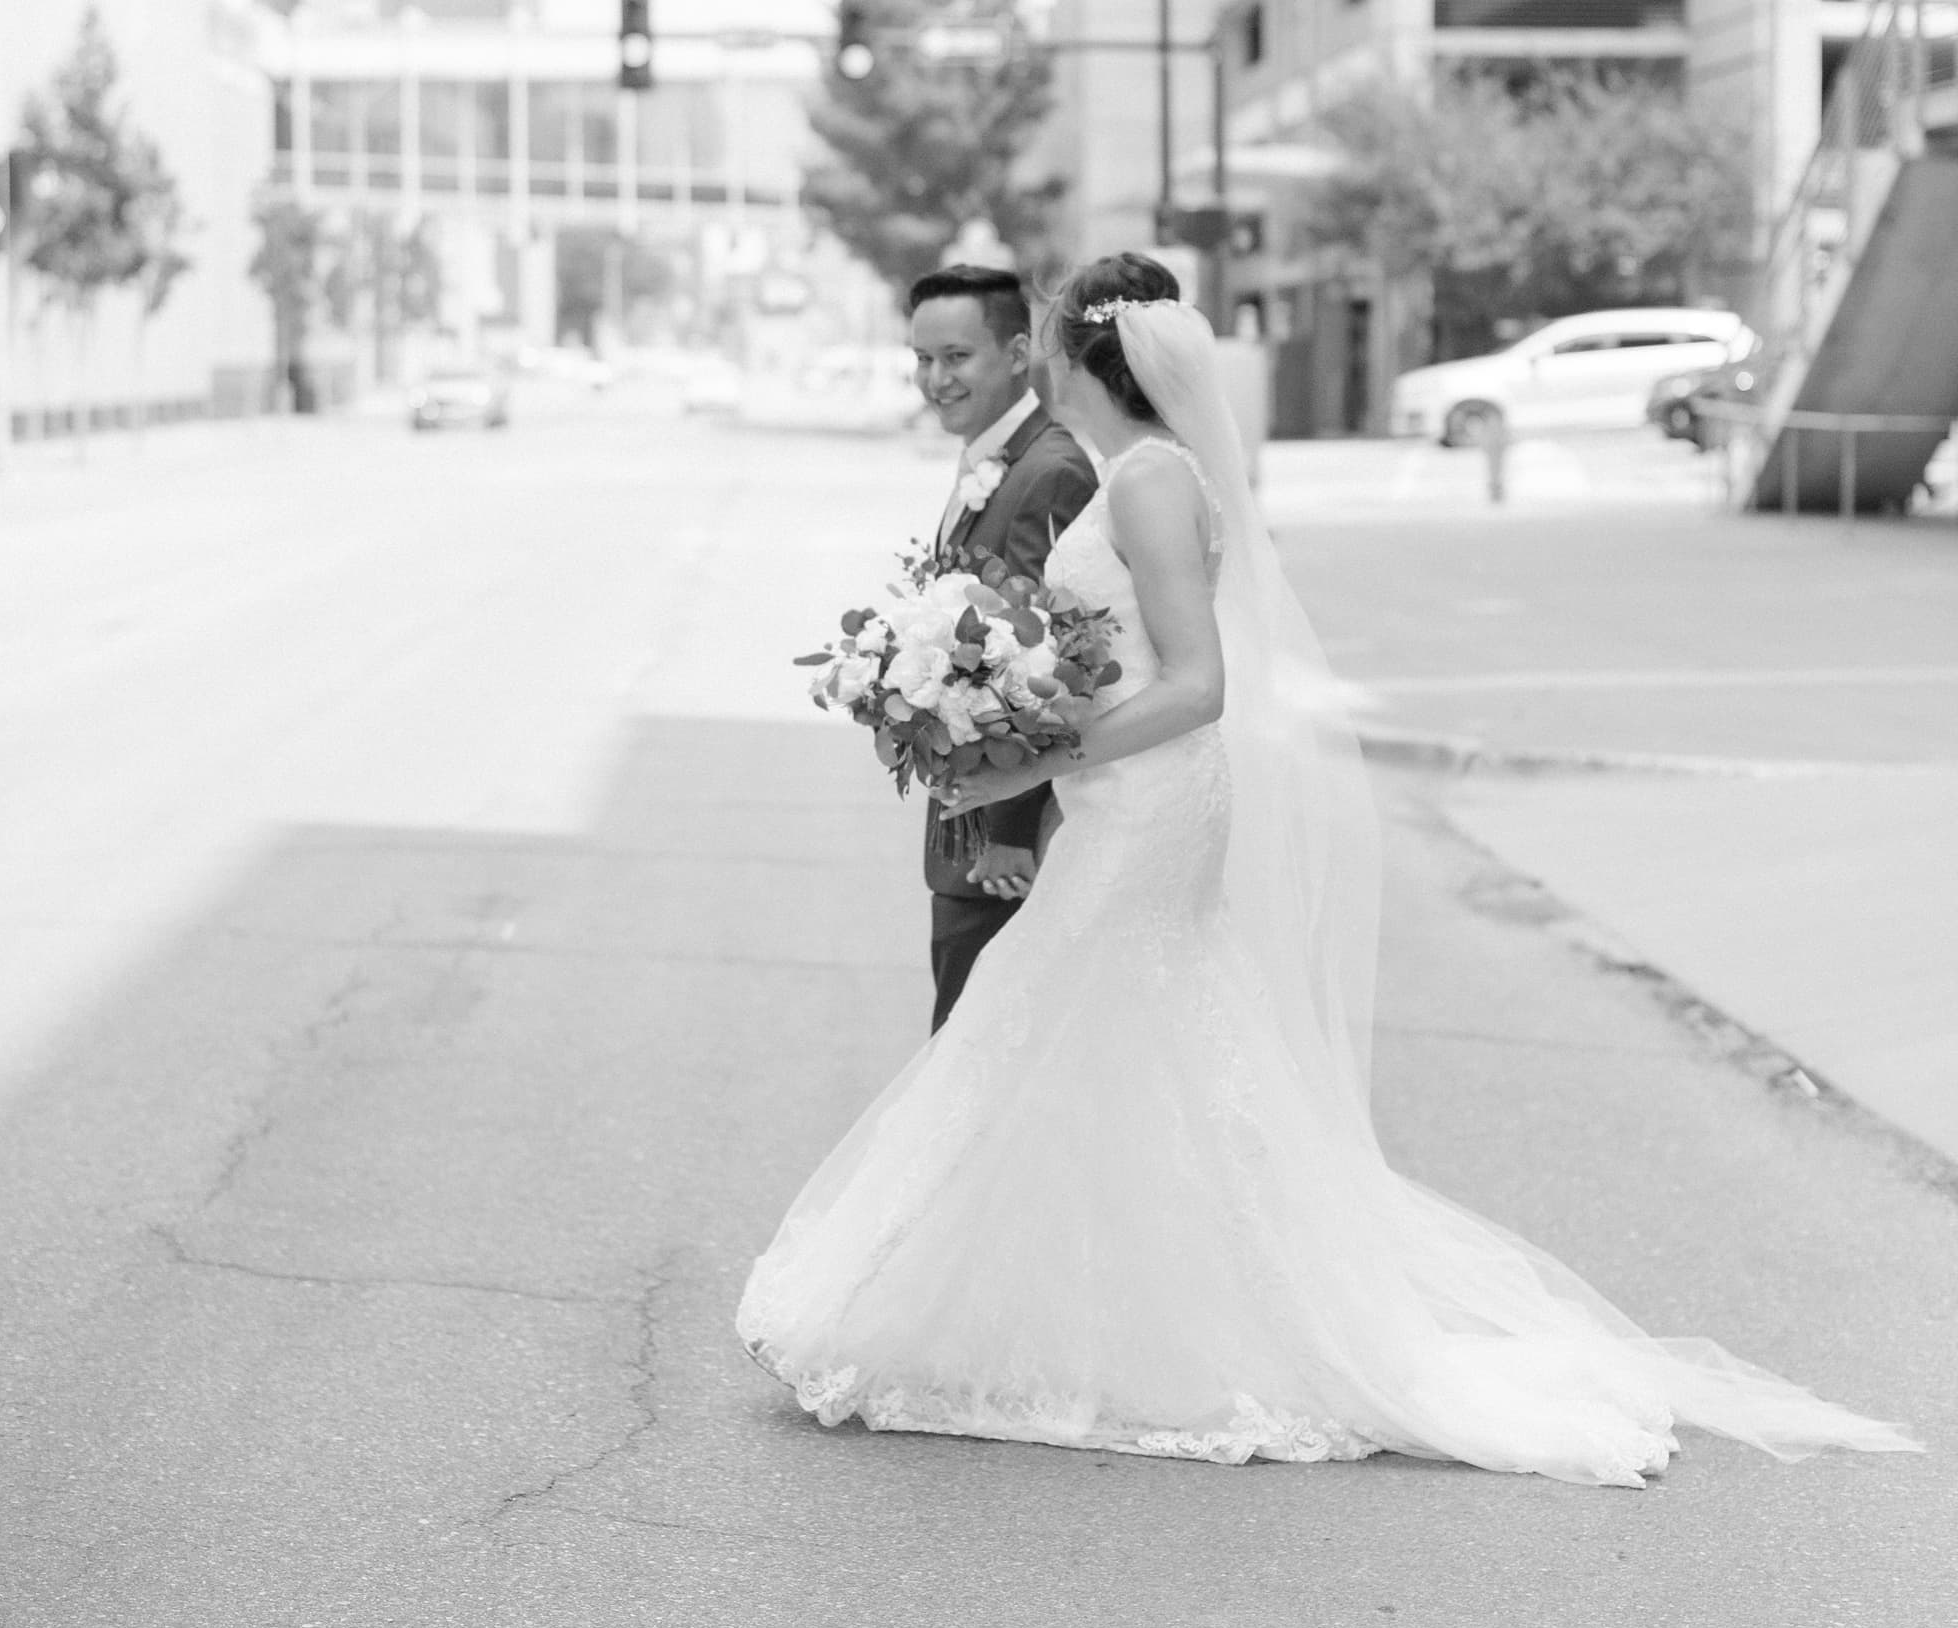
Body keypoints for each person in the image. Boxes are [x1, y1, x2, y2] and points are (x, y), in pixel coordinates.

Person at [738, 251, 1919, 1488]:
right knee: (1119, 1039)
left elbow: (1199, 687)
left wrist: (1016, 756)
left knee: (1058, 1022)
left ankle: (1055, 1315)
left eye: (1037, 336)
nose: (1028, 352)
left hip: (1149, 803)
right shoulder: (1152, 471)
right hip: (1126, 799)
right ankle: (1093, 1298)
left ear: (1071, 354)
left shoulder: (1145, 479)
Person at [903, 263, 1096, 1031]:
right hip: (972, 826)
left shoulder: (1048, 471)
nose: (935, 379)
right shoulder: (996, 456)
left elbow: (1046, 665)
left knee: (973, 1054)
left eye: (956, 358)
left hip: (999, 849)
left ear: (1018, 353)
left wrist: (1011, 833)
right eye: (922, 359)